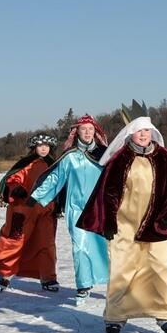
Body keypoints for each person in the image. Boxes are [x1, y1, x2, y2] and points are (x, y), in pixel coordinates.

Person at [77, 116, 167, 333]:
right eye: (139, 132)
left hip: (156, 224)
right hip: (125, 225)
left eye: (147, 132)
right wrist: (109, 222)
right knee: (122, 269)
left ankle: (165, 314)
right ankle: (116, 316)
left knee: (160, 268)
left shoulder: (164, 156)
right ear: (130, 134)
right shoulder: (121, 158)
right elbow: (108, 193)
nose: (143, 135)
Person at [30, 115, 110, 304]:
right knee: (79, 247)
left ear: (96, 132)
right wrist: (36, 196)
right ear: (77, 133)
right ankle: (83, 285)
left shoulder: (106, 155)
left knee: (102, 247)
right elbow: (55, 178)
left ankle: (110, 283)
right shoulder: (70, 156)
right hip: (76, 209)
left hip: (100, 208)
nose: (88, 133)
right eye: (84, 129)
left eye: (91, 129)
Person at [0, 133, 60, 292]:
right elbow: (11, 179)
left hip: (46, 211)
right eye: (40, 146)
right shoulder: (25, 164)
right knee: (15, 240)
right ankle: (5, 273)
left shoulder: (55, 165)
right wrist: (16, 189)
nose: (43, 149)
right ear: (34, 148)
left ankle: (48, 277)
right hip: (23, 210)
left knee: (46, 243)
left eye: (46, 146)